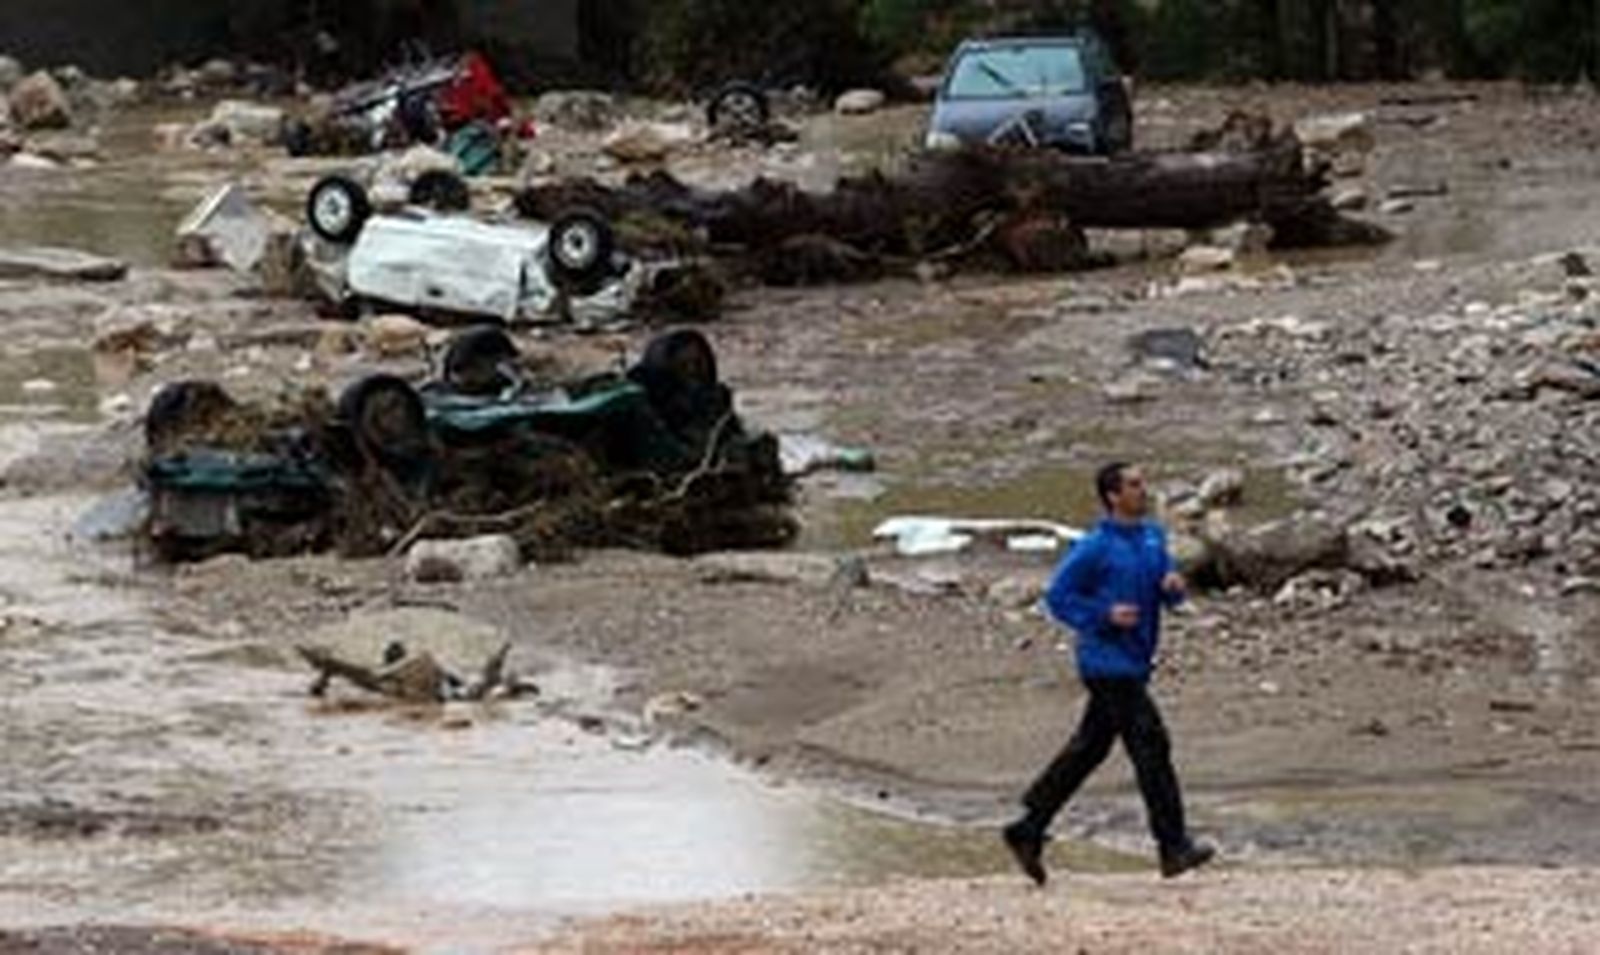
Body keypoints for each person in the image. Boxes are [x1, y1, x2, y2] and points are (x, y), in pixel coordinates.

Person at [1003, 462, 1214, 886]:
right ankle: (1173, 848)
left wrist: (1172, 590)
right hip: (1105, 663)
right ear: (1113, 496)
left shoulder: (1153, 537)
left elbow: (1165, 592)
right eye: (1134, 485)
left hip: (1135, 661)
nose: (1143, 489)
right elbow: (1058, 597)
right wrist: (1103, 614)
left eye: (1142, 482)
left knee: (1090, 748)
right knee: (1152, 744)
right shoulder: (1093, 546)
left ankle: (1027, 827)